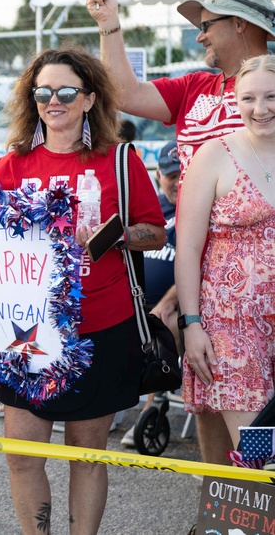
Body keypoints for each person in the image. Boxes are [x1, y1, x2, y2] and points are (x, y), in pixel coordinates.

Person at [86, 0, 275, 466]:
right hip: (207, 282)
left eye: (207, 24)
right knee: (214, 404)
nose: (200, 36)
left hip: (259, 280)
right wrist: (110, 25)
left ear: (241, 25)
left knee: (257, 423)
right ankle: (220, 515)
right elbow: (125, 93)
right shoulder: (195, 86)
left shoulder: (269, 90)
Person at [0, 49, 165, 535]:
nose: (53, 101)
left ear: (89, 99)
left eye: (66, 92)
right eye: (43, 93)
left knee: (85, 457)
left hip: (101, 328)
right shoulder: (12, 165)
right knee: (23, 458)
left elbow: (155, 231)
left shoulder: (120, 160)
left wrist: (114, 236)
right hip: (27, 333)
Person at [176, 54, 275, 448]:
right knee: (259, 451)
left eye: (271, 96)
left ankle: (225, 513)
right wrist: (192, 323)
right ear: (235, 100)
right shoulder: (214, 155)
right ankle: (241, 511)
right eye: (249, 98)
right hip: (232, 326)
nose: (260, 108)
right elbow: (188, 247)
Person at [120, 141, 180, 448]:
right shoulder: (150, 208)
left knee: (162, 325)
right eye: (171, 174)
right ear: (159, 175)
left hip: (173, 308)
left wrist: (169, 303)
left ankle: (152, 409)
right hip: (135, 303)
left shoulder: (198, 209)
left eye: (184, 173)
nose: (177, 181)